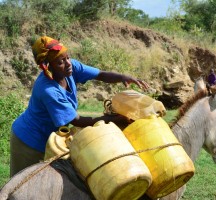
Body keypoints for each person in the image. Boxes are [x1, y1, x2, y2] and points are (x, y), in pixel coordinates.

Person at [10, 36, 150, 177]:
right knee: (21, 184)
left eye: (67, 58)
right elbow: (76, 120)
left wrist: (123, 77)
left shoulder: (71, 68)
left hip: (51, 138)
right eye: (60, 62)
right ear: (48, 66)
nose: (68, 63)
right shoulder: (48, 90)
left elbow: (100, 74)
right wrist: (112, 119)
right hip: (28, 141)